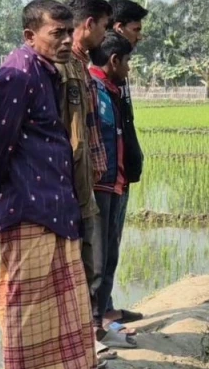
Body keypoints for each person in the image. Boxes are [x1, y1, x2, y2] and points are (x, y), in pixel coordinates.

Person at [0, 0, 97, 368]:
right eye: (56, 33)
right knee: (28, 321)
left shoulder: (47, 72)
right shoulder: (18, 76)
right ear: (30, 36)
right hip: (29, 212)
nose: (66, 40)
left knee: (64, 318)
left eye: (68, 32)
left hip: (56, 210)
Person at [58, 0, 119, 358]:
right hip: (73, 183)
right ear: (89, 24)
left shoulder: (79, 66)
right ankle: (81, 342)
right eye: (105, 25)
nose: (106, 33)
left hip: (88, 179)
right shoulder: (62, 68)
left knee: (89, 260)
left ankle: (87, 337)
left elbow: (90, 126)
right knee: (80, 263)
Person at [88, 31, 139, 350]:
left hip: (115, 181)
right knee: (96, 258)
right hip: (99, 184)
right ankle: (93, 328)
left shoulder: (113, 90)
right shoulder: (92, 89)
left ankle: (102, 323)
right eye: (128, 63)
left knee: (109, 255)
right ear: (114, 60)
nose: (129, 70)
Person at [103, 0, 147, 329]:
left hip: (121, 172)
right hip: (106, 176)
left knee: (112, 242)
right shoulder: (103, 73)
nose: (139, 35)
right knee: (103, 245)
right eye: (136, 29)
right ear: (118, 29)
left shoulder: (119, 73)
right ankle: (101, 313)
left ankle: (107, 307)